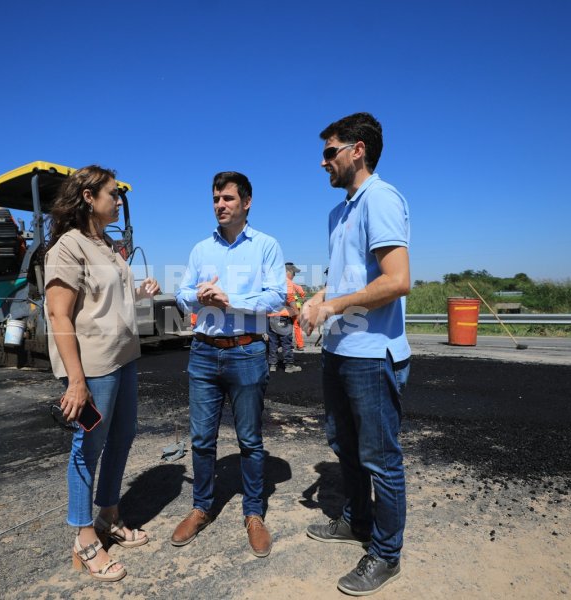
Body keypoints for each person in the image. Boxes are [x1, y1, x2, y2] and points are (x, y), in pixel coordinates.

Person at [300, 113, 411, 596]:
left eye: (330, 152)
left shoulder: (381, 199)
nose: (323, 161)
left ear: (357, 150)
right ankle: (356, 521)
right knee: (343, 445)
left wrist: (332, 306)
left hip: (372, 352)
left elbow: (397, 280)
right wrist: (316, 298)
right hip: (341, 348)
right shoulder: (339, 212)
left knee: (380, 457)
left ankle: (386, 554)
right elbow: (343, 278)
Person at [44, 165, 161, 582]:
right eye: (114, 194)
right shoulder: (68, 247)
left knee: (123, 436)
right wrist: (76, 381)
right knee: (87, 447)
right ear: (89, 197)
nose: (119, 201)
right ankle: (83, 535)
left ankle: (109, 512)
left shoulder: (106, 244)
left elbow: (107, 296)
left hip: (123, 357)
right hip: (93, 368)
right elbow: (59, 314)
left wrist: (139, 291)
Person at [172, 171, 286, 557]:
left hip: (247, 351)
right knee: (202, 439)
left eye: (228, 199)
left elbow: (276, 296)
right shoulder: (201, 249)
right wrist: (197, 297)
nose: (221, 205)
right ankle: (201, 507)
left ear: (247, 202)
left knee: (250, 440)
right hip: (204, 352)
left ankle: (253, 514)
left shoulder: (266, 246)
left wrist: (230, 300)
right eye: (217, 199)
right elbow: (183, 294)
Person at [266, 262, 306, 373]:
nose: (294, 275)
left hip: (270, 316)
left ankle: (272, 365)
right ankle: (289, 366)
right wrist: (297, 312)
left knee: (272, 342)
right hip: (283, 317)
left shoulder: (271, 281)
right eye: (293, 273)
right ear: (287, 272)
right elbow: (289, 297)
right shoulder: (286, 282)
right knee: (286, 342)